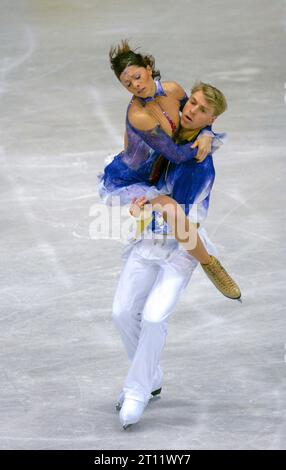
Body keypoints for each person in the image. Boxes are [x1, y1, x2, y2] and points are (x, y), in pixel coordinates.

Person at [112, 81, 237, 429]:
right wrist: (139, 199)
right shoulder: (169, 128)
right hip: (149, 240)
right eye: (192, 103)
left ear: (210, 117)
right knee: (122, 313)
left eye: (202, 112)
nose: (191, 111)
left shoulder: (198, 165)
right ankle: (150, 377)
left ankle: (137, 390)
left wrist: (147, 201)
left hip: (183, 246)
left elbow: (175, 216)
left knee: (153, 318)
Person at [98, 40, 240, 300]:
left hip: (160, 171)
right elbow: (175, 152)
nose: (136, 85)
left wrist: (206, 132)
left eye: (137, 77)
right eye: (127, 84)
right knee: (173, 210)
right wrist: (204, 139)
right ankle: (210, 264)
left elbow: (194, 117)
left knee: (193, 185)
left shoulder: (173, 90)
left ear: (149, 68)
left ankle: (182, 233)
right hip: (130, 178)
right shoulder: (139, 115)